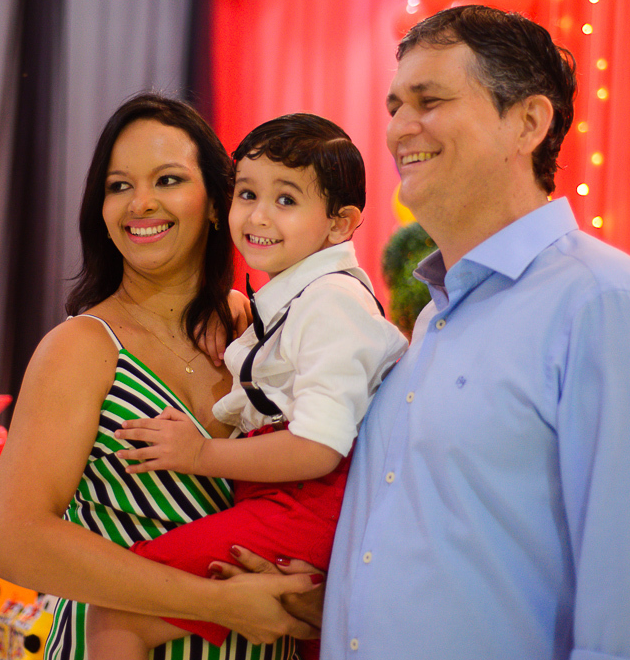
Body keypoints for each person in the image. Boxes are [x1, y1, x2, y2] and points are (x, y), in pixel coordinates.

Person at [321, 6, 630, 660]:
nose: (397, 130)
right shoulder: (432, 317)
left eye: (429, 100)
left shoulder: (603, 305)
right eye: (393, 106)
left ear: (528, 122)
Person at [0, 93, 320, 660]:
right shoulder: (81, 348)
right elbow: (12, 543)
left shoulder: (264, 330)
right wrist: (217, 605)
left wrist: (313, 593)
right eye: (119, 186)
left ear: (219, 203)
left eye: (166, 180)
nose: (140, 203)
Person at [84, 115, 408, 659]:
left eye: (286, 200)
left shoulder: (330, 302)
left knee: (119, 611)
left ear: (340, 223)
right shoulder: (285, 300)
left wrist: (201, 454)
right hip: (294, 503)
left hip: (306, 503)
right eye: (248, 193)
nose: (257, 215)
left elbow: (317, 447)